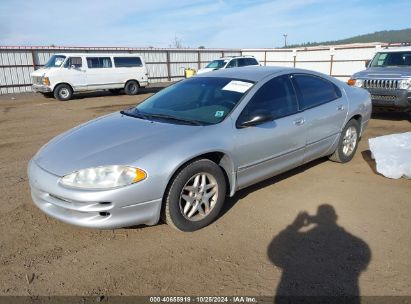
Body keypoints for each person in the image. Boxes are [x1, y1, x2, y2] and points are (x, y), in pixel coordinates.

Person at [267, 204, 371, 304]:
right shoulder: (358, 244)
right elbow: (362, 261)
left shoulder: (301, 239)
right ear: (335, 217)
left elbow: (273, 252)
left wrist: (295, 226)